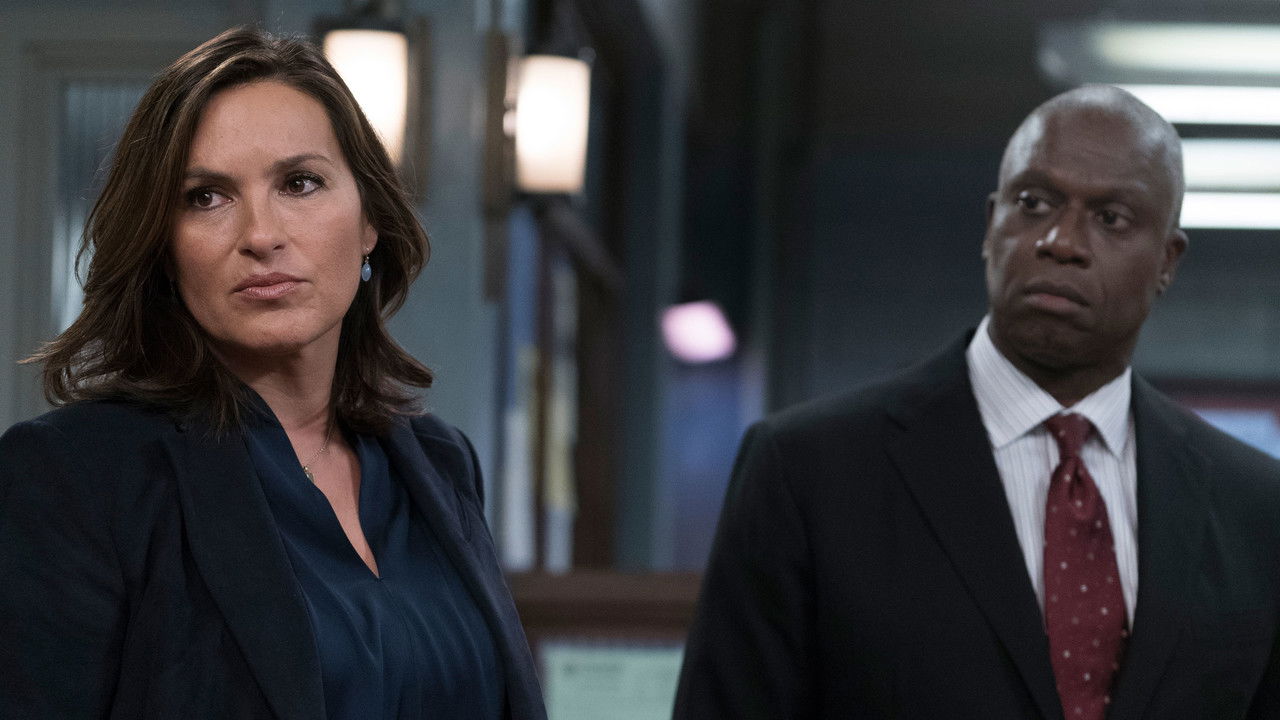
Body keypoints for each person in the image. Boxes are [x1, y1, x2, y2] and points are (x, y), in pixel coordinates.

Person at [674, 85, 1280, 720]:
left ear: (1167, 262)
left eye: (1111, 218)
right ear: (992, 224)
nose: (1061, 241)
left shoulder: (1255, 512)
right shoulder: (807, 473)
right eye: (1034, 203)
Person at [0, 27, 545, 720]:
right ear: (163, 247)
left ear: (370, 221)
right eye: (207, 197)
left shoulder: (441, 463)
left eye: (300, 183)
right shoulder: (74, 475)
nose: (260, 235)